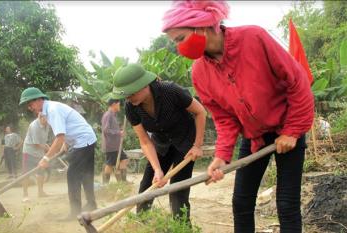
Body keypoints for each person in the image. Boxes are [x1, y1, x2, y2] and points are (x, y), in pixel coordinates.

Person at [162, 1, 315, 232]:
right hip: (255, 139)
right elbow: (224, 119)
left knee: (286, 203)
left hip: (287, 127)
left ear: (201, 27)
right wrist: (222, 156)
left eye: (180, 39)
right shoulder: (200, 72)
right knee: (241, 202)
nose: (179, 48)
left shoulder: (254, 38)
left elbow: (298, 81)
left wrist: (292, 131)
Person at [111, 63, 207, 223]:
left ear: (143, 85)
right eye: (125, 95)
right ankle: (141, 224)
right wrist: (157, 170)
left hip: (185, 143)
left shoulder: (170, 91)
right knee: (147, 185)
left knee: (178, 190)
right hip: (160, 144)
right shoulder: (131, 108)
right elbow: (145, 141)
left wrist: (197, 145)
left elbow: (200, 111)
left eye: (130, 93)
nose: (127, 98)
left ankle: (182, 227)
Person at [19, 87, 97, 220]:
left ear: (38, 100)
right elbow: (64, 132)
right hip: (87, 139)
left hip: (83, 141)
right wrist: (66, 144)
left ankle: (75, 212)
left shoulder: (52, 110)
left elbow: (59, 137)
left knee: (72, 175)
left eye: (30, 103)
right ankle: (91, 204)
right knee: (85, 174)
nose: (29, 107)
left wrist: (45, 158)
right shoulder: (49, 110)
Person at [21, 113, 51, 202]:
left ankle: (40, 192)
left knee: (40, 172)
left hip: (39, 153)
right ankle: (25, 195)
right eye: (46, 118)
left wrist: (49, 148)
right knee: (26, 174)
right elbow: (36, 143)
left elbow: (43, 140)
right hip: (29, 152)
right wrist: (48, 149)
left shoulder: (47, 125)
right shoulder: (34, 126)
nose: (48, 120)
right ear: (40, 118)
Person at [101, 98, 128, 184]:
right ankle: (105, 184)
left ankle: (123, 181)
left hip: (116, 145)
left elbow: (113, 129)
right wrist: (118, 133)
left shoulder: (113, 115)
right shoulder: (108, 115)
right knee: (109, 164)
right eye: (118, 104)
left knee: (123, 159)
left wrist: (120, 131)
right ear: (114, 104)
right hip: (110, 145)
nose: (119, 106)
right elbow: (106, 130)